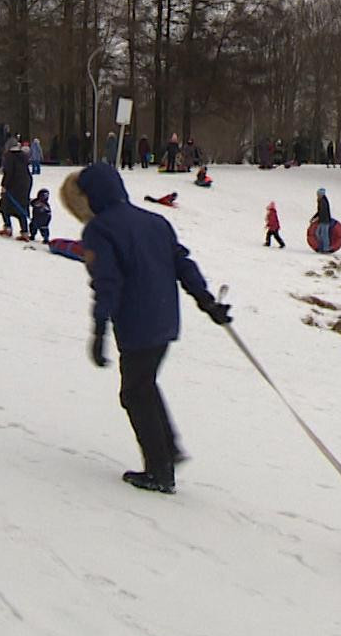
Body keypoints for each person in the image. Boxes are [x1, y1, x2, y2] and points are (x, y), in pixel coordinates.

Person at [61, 162, 230, 496]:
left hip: (137, 323)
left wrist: (99, 329)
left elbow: (107, 283)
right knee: (144, 385)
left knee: (134, 393)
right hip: (166, 320)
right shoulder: (155, 221)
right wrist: (207, 302)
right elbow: (183, 263)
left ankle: (159, 470)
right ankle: (169, 450)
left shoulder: (100, 230)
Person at [0, 137, 33, 238]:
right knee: (22, 206)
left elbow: (9, 172)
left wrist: (4, 185)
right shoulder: (23, 156)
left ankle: (8, 227)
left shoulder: (9, 156)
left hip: (14, 184)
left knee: (5, 205)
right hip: (25, 183)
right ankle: (25, 232)